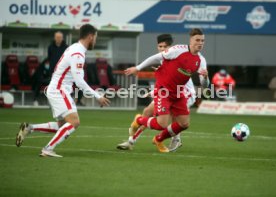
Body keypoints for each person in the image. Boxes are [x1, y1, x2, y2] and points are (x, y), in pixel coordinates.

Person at [16, 24, 110, 157]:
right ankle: (48, 149)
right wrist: (97, 96)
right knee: (74, 122)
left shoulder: (74, 48)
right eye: (95, 37)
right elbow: (79, 81)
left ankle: (29, 128)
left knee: (62, 125)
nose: (95, 40)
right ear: (90, 36)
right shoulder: (78, 53)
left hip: (57, 89)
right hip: (59, 90)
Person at [125, 28, 209, 153]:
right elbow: (156, 57)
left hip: (181, 93)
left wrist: (206, 78)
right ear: (191, 40)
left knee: (183, 124)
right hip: (164, 91)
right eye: (197, 40)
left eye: (202, 41)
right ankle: (137, 126)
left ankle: (159, 139)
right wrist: (138, 68)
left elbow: (205, 85)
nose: (200, 43)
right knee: (159, 121)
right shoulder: (178, 50)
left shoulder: (201, 60)